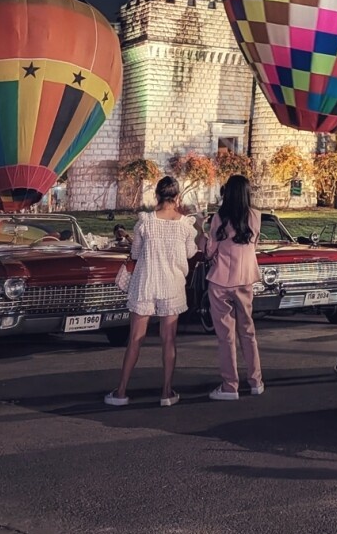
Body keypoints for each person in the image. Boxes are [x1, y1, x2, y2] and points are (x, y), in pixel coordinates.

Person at [105, 175, 198, 408]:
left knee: (135, 340)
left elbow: (135, 254)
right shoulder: (185, 225)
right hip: (172, 285)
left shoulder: (145, 222)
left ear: (157, 196)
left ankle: (121, 392)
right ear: (177, 198)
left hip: (145, 283)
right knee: (169, 340)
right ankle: (166, 392)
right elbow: (190, 253)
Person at [205, 174, 264, 400]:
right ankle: (256, 381)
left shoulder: (219, 218)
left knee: (226, 335)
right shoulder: (255, 216)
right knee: (248, 331)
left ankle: (230, 385)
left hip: (220, 280)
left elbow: (210, 251)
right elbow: (254, 245)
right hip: (246, 278)